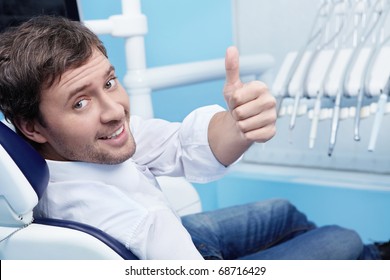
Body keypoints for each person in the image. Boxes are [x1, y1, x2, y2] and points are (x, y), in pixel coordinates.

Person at [0, 15, 388, 260]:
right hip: (178, 260)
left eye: (110, 82)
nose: (115, 109)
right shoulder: (135, 220)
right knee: (343, 238)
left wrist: (238, 126)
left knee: (281, 210)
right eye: (81, 103)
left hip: (177, 244)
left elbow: (182, 143)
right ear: (31, 126)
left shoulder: (79, 151)